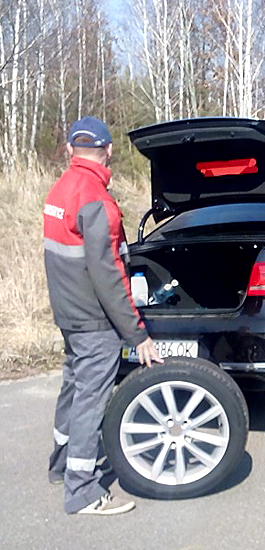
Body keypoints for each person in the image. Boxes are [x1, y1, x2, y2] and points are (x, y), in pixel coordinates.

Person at [43, 116, 163, 515]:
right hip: (94, 319)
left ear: (71, 150)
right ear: (108, 150)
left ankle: (61, 466)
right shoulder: (96, 199)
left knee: (74, 389)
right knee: (90, 399)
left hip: (69, 311)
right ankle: (83, 491)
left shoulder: (61, 188)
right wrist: (137, 334)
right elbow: (109, 274)